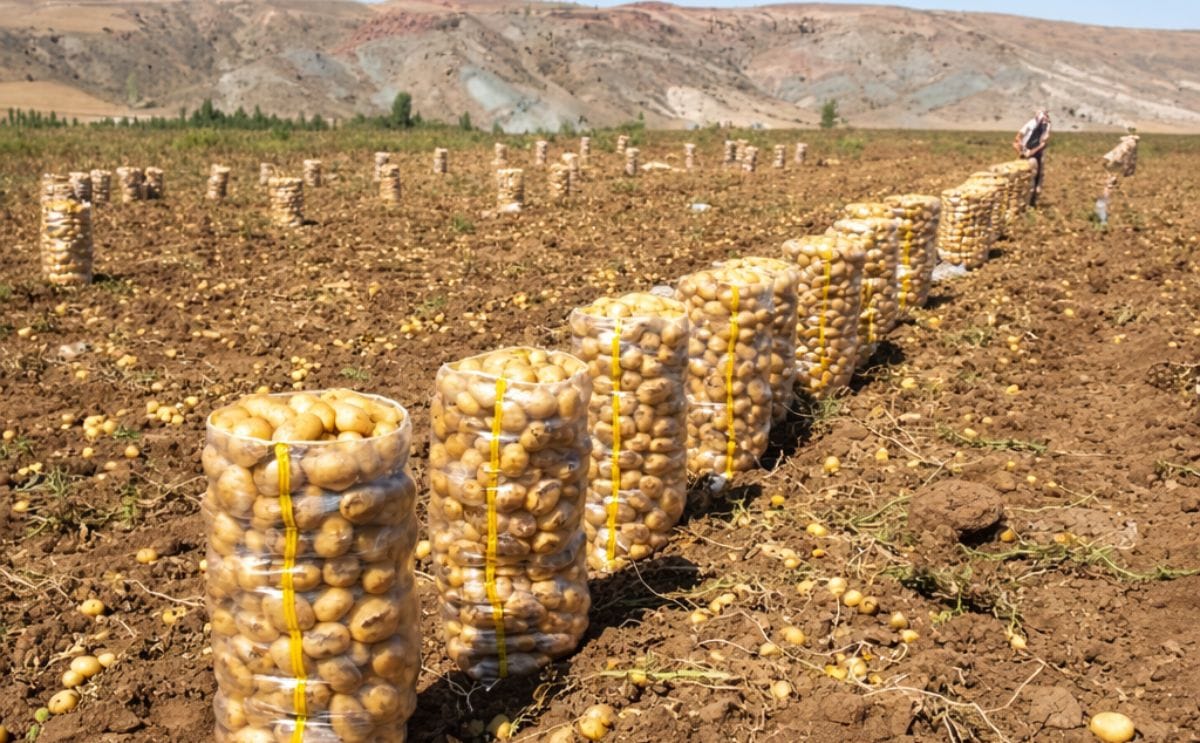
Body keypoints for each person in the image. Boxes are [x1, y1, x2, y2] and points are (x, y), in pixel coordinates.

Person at [1014, 110, 1051, 206]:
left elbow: (1043, 143)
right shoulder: (1030, 124)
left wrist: (1031, 153)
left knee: (1037, 176)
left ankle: (1033, 201)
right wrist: (1021, 149)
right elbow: (1018, 138)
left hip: (1036, 154)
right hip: (1026, 152)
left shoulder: (1046, 127)